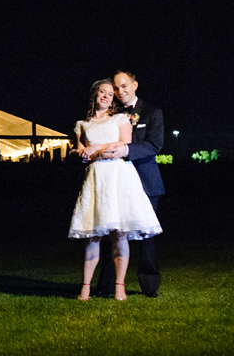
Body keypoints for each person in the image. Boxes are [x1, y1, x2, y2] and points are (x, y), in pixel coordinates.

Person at [69, 79, 161, 300]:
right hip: (96, 178)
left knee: (121, 233)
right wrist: (81, 153)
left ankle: (120, 286)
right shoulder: (82, 124)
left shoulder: (120, 119)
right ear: (94, 94)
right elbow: (78, 151)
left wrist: (95, 150)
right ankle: (86, 287)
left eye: (110, 94)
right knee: (93, 234)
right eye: (103, 92)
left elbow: (122, 146)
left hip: (119, 176)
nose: (107, 96)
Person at [95, 71, 165, 297]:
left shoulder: (153, 112)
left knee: (147, 237)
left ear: (135, 85)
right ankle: (105, 286)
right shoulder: (110, 114)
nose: (120, 91)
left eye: (124, 86)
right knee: (111, 234)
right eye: (116, 88)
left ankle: (150, 287)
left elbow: (154, 146)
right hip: (116, 181)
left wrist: (126, 149)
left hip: (145, 181)